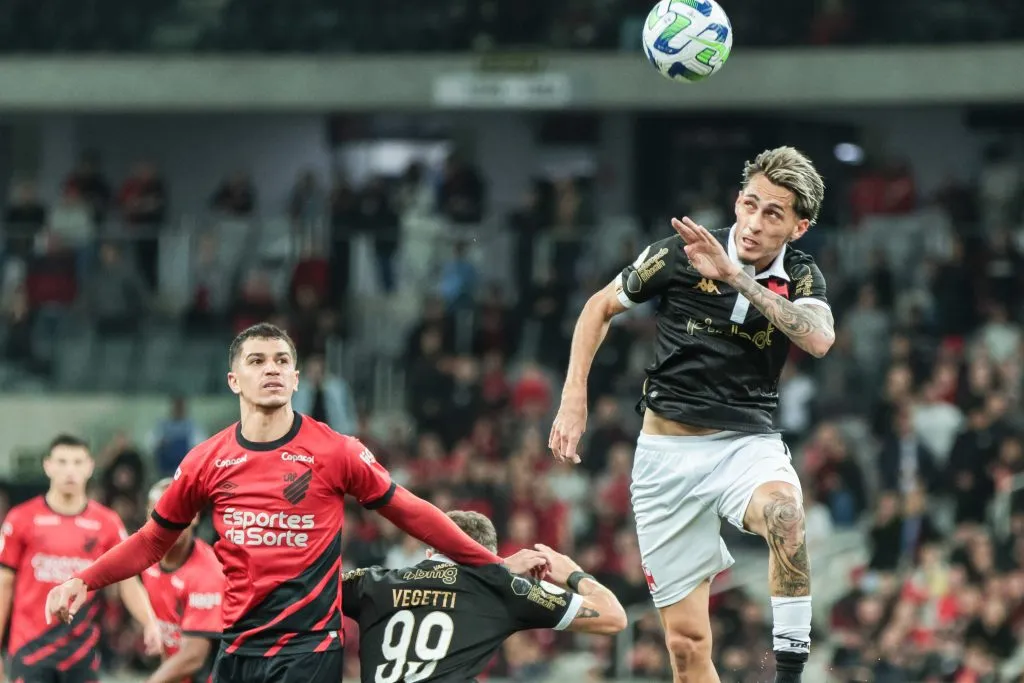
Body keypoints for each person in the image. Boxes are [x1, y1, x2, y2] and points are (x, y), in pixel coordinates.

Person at [44, 322, 548, 683]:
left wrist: (494, 565)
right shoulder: (206, 461)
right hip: (238, 647)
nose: (272, 369)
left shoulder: (335, 450)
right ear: (233, 380)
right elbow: (153, 540)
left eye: (282, 361)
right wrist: (82, 580)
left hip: (309, 649)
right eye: (257, 361)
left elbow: (415, 515)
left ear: (296, 378)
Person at [549, 147, 834, 683]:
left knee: (785, 516)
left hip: (744, 447)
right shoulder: (679, 254)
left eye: (773, 213)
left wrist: (736, 278)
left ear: (799, 227)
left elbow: (818, 338)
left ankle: (790, 675)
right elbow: (598, 307)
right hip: (665, 457)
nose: (754, 222)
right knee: (686, 649)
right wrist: (573, 398)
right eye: (749, 204)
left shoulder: (801, 274)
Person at [342, 510, 626, 683]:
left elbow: (316, 585)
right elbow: (613, 617)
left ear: (429, 552)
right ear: (489, 555)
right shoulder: (502, 588)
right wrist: (574, 574)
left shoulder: (372, 583)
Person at [0, 434, 162, 683]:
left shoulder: (107, 523)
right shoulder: (20, 519)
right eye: (62, 462)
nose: (70, 471)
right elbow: (4, 584)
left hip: (82, 654)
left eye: (77, 462)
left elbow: (128, 581)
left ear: (89, 467)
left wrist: (149, 622)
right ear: (48, 466)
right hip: (30, 651)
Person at [141, 478, 225, 683]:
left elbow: (194, 656)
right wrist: (147, 622)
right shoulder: (145, 560)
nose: (171, 521)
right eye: (162, 512)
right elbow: (126, 584)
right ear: (149, 516)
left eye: (180, 511)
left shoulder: (208, 572)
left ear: (195, 516)